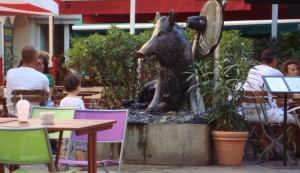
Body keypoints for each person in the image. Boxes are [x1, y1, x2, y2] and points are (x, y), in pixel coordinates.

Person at [243, 49, 297, 157]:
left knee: (277, 112)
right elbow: (283, 92)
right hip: (265, 115)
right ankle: (279, 146)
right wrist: (295, 95)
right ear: (274, 60)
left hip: (247, 113)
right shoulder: (275, 72)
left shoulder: (253, 69)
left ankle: (266, 142)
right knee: (296, 118)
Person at [5, 45, 49, 116]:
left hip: (13, 116)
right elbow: (46, 98)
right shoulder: (43, 77)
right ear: (35, 59)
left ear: (22, 59)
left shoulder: (10, 73)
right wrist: (39, 73)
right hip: (34, 116)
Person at [60, 74, 86, 169]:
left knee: (65, 146)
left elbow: (62, 115)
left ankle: (63, 165)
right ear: (77, 87)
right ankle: (82, 165)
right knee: (79, 147)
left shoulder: (63, 101)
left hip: (66, 128)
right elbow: (83, 115)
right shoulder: (79, 101)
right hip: (78, 128)